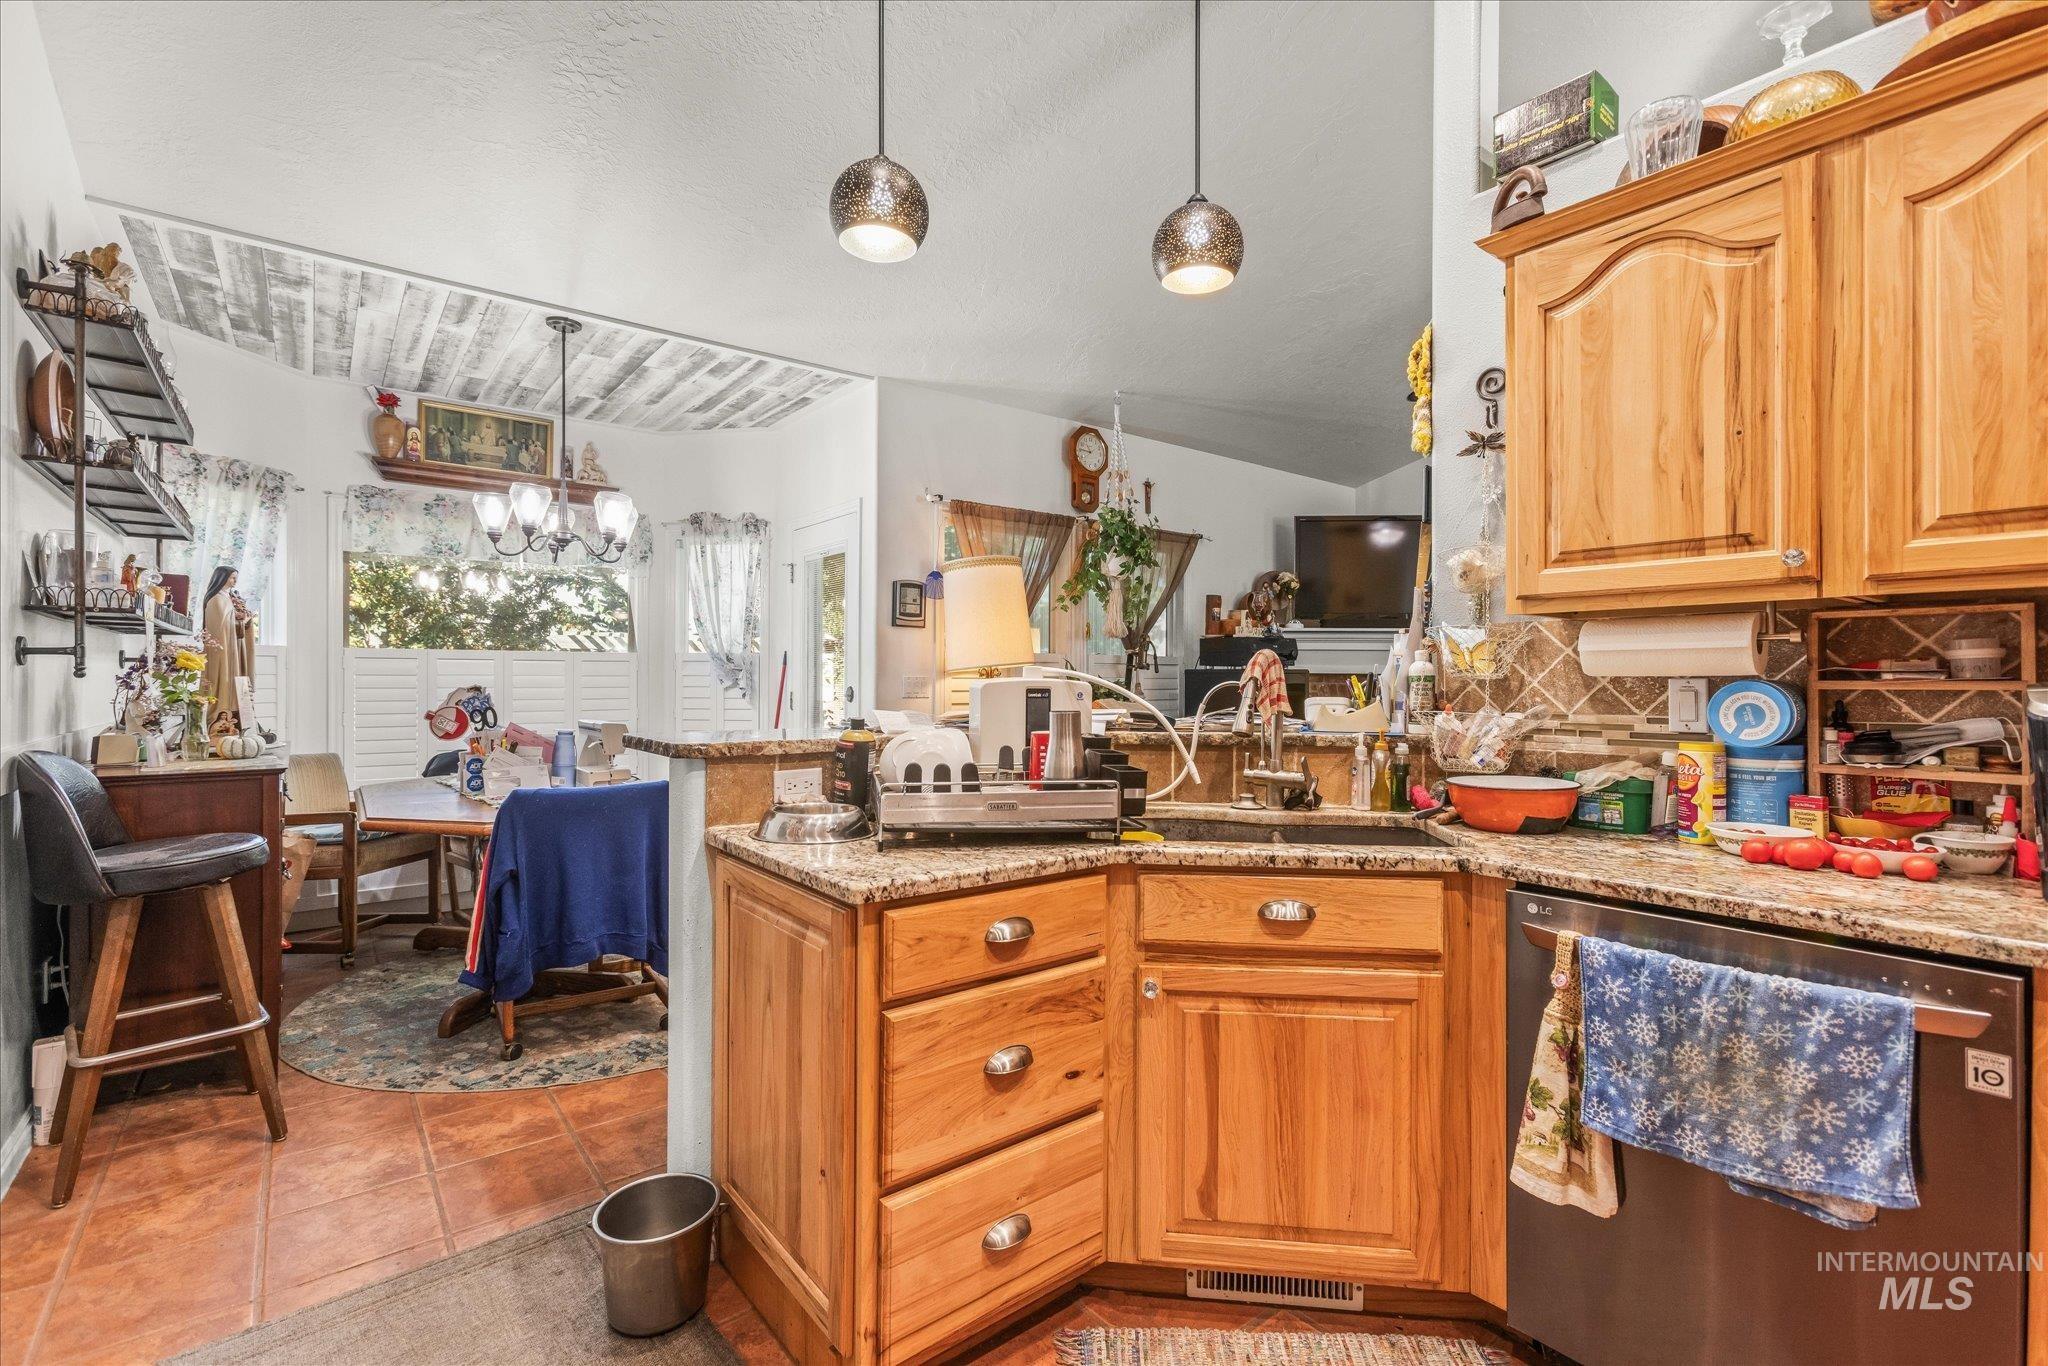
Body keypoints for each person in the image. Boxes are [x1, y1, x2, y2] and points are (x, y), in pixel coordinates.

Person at [201, 566, 259, 735]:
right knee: (223, 679)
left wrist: (244, 620)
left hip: (234, 647)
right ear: (222, 578)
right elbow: (222, 627)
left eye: (235, 578)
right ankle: (221, 715)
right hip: (223, 652)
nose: (235, 581)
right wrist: (243, 620)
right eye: (232, 578)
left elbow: (232, 623)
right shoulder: (216, 600)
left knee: (237, 681)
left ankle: (239, 718)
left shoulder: (228, 597)